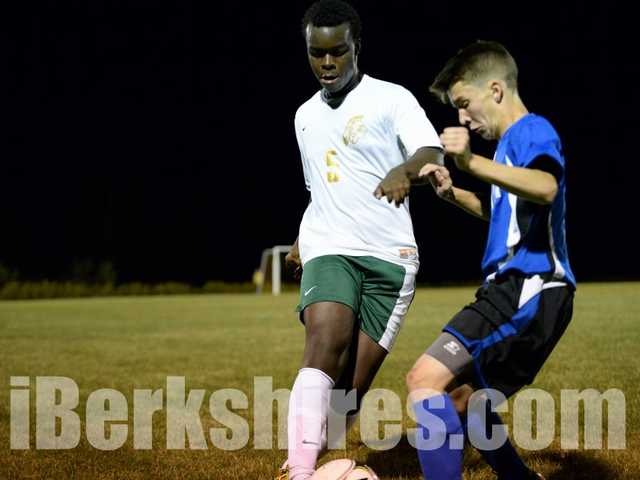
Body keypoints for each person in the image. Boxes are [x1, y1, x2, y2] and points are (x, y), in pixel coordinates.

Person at [278, 1, 443, 479]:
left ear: (357, 48)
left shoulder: (391, 99)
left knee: (347, 394)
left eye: (338, 52)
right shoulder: (304, 116)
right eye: (317, 53)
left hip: (391, 256)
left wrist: (404, 170)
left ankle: (318, 457)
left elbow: (431, 151)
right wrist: (302, 239)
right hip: (331, 247)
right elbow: (318, 190)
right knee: (326, 340)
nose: (327, 63)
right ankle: (298, 471)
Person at [407, 40, 575, 480]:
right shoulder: (507, 149)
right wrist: (453, 193)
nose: (462, 118)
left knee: (424, 379)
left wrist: (470, 163)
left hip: (529, 286)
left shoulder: (531, 131)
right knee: (463, 399)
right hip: (518, 289)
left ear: (496, 90)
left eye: (464, 104)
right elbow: (503, 211)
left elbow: (546, 185)